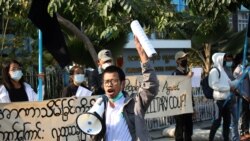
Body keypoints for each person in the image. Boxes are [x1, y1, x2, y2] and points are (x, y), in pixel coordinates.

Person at [90, 36, 159, 141]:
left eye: (114, 81)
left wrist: (143, 56)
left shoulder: (135, 103)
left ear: (122, 84)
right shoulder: (100, 106)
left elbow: (151, 85)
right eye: (106, 82)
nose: (109, 84)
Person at [208, 53, 232, 141]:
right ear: (219, 59)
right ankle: (211, 139)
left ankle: (226, 139)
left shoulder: (223, 71)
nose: (226, 61)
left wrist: (238, 81)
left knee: (227, 122)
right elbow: (215, 85)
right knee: (217, 122)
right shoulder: (214, 71)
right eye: (224, 59)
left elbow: (230, 82)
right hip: (218, 102)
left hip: (226, 100)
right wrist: (228, 88)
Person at [172, 51, 194, 141]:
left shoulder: (187, 73)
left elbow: (189, 90)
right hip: (179, 107)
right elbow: (175, 88)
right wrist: (187, 78)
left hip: (188, 105)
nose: (185, 60)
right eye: (182, 59)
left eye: (186, 58)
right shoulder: (175, 74)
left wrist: (193, 105)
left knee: (189, 130)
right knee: (180, 130)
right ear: (177, 61)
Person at [232, 53, 250, 141]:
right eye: (245, 58)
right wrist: (244, 95)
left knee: (247, 113)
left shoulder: (247, 68)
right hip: (242, 96)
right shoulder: (238, 70)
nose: (246, 59)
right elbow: (236, 85)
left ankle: (247, 131)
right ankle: (242, 132)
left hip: (248, 96)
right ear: (240, 60)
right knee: (242, 114)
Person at [223, 54, 240, 141]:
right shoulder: (222, 71)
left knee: (235, 120)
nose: (230, 61)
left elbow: (233, 82)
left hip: (233, 99)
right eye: (228, 60)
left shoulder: (229, 69)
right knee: (227, 122)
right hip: (226, 99)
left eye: (231, 60)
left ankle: (235, 138)